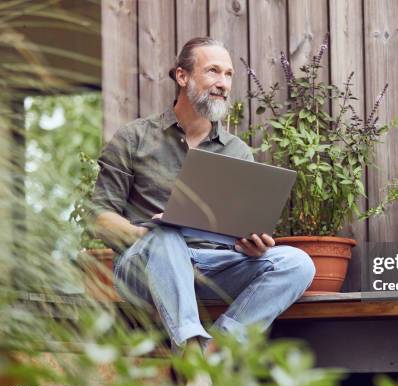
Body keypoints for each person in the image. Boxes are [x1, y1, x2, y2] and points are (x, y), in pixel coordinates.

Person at [90, 37, 315, 364]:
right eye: (213, 71)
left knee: (297, 263)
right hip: (146, 266)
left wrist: (248, 244)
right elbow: (100, 217)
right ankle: (193, 357)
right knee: (167, 235)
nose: (223, 83)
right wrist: (146, 237)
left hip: (213, 267)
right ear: (182, 76)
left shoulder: (237, 151)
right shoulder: (133, 138)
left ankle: (218, 350)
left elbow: (239, 229)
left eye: (228, 75)